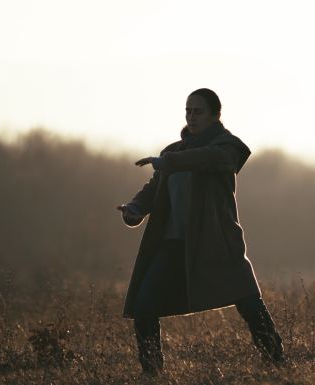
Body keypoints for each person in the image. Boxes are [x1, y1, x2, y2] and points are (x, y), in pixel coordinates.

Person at [116, 88, 284, 375]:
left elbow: (211, 159)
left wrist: (167, 162)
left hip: (217, 242)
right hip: (173, 245)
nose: (191, 117)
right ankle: (151, 372)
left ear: (215, 115)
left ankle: (275, 359)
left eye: (198, 111)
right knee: (144, 307)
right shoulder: (173, 152)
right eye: (188, 111)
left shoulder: (228, 147)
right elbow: (155, 188)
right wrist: (134, 209)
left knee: (247, 301)